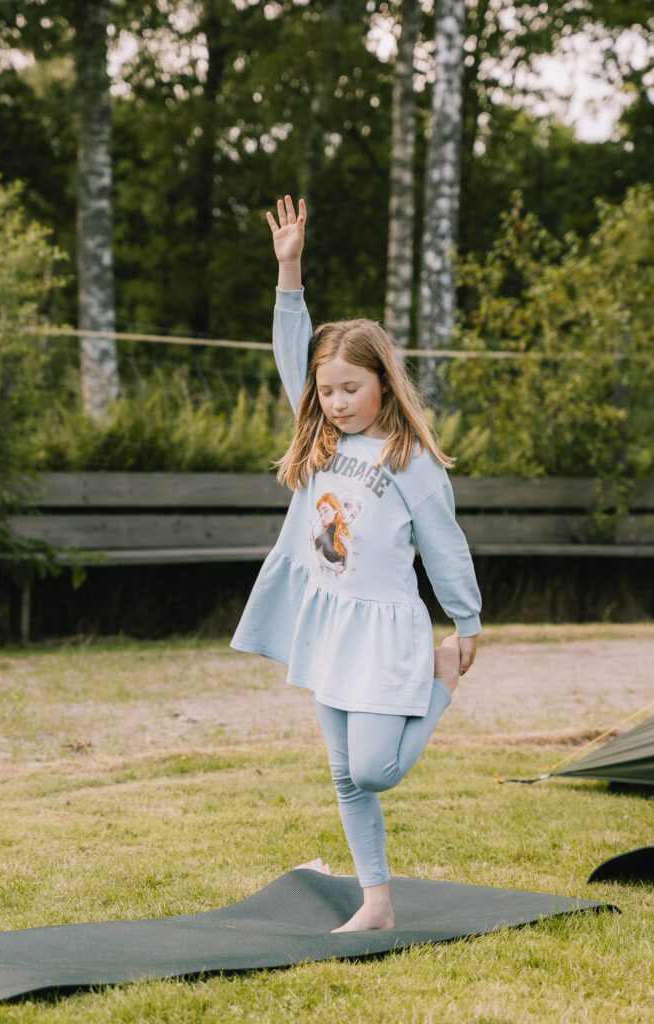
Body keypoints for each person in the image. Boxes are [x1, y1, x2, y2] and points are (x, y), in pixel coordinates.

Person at [229, 194, 482, 933]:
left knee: (374, 768)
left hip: (386, 628)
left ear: (382, 385)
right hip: (327, 620)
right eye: (327, 390)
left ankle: (438, 687)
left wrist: (464, 623)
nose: (336, 402)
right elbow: (289, 347)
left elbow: (444, 544)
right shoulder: (321, 442)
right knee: (343, 774)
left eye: (351, 389)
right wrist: (289, 270)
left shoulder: (410, 461)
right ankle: (375, 902)